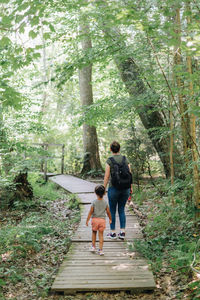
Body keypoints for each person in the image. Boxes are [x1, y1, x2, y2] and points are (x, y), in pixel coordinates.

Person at [104, 141, 131, 240]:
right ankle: (122, 232)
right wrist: (130, 188)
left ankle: (112, 233)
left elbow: (107, 176)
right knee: (121, 210)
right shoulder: (125, 159)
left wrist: (103, 188)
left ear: (111, 149)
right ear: (119, 149)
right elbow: (130, 173)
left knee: (112, 210)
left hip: (113, 189)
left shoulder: (109, 160)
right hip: (125, 188)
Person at [86, 185, 112, 256]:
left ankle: (93, 247)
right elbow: (108, 212)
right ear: (104, 193)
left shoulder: (94, 202)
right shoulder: (105, 203)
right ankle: (101, 250)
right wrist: (110, 219)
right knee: (101, 235)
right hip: (102, 221)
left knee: (94, 233)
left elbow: (90, 212)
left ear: (95, 193)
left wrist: (87, 220)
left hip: (95, 220)